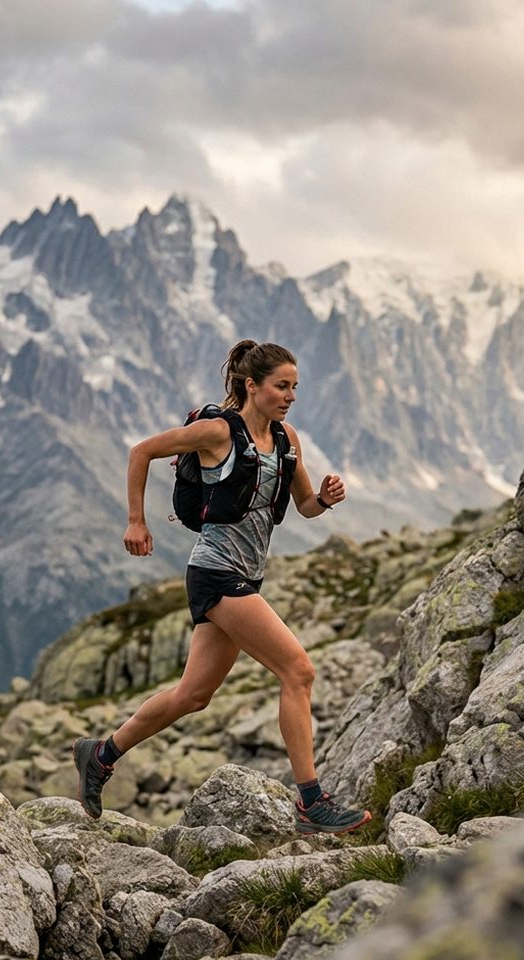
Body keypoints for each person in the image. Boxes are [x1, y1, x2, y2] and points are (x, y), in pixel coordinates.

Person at [74, 339, 371, 834]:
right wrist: (135, 522)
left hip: (246, 576)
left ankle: (100, 754)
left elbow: (305, 508)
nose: (290, 395)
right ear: (251, 386)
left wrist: (326, 498)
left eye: (295, 387)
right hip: (216, 573)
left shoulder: (286, 438)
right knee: (298, 671)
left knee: (193, 695)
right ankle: (311, 802)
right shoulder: (216, 433)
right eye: (281, 386)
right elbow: (141, 451)